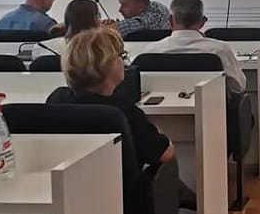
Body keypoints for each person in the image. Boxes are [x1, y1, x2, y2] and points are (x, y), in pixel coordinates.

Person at [53, 27, 174, 167]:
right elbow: (166, 154)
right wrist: (158, 132)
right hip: (122, 181)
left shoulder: (57, 100)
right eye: (121, 56)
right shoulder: (123, 111)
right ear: (108, 65)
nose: (124, 62)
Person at [141, 0, 246, 93]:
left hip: (162, 106)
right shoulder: (219, 50)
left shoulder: (150, 51)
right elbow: (238, 87)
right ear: (202, 22)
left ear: (170, 20)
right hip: (213, 105)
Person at [34, 0, 105, 58]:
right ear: (93, 21)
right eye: (99, 16)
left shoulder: (42, 47)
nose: (101, 21)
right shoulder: (101, 50)